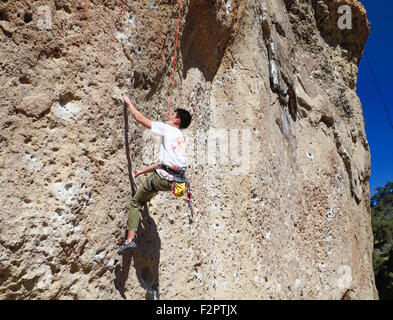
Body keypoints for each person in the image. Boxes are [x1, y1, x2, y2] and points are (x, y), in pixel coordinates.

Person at [118, 95, 192, 254]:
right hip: (175, 182)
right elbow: (163, 164)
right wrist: (141, 172)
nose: (170, 116)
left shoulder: (168, 129)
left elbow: (140, 119)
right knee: (150, 188)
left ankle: (130, 240)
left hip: (162, 179)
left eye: (173, 114)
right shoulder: (180, 138)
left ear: (177, 120)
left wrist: (128, 102)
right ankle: (146, 197)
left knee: (136, 203)